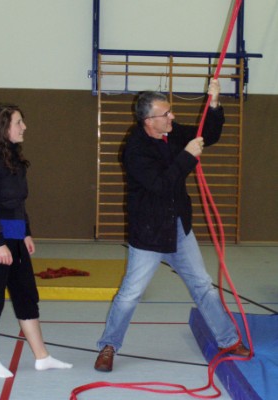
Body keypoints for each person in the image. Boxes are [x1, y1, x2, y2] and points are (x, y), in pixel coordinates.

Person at [94, 79, 250, 372]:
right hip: (150, 234)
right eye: (166, 114)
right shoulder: (135, 150)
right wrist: (188, 156)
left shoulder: (172, 134)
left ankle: (228, 340)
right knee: (130, 294)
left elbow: (209, 134)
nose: (172, 117)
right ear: (148, 120)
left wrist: (214, 102)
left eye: (171, 112)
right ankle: (109, 345)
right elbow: (161, 185)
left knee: (203, 285)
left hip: (178, 227)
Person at [0, 103, 73, 378]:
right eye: (19, 122)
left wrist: (26, 232)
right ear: (3, 127)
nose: (24, 127)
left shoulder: (15, 158)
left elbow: (18, 203)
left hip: (15, 236)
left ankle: (42, 356)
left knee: (26, 297)